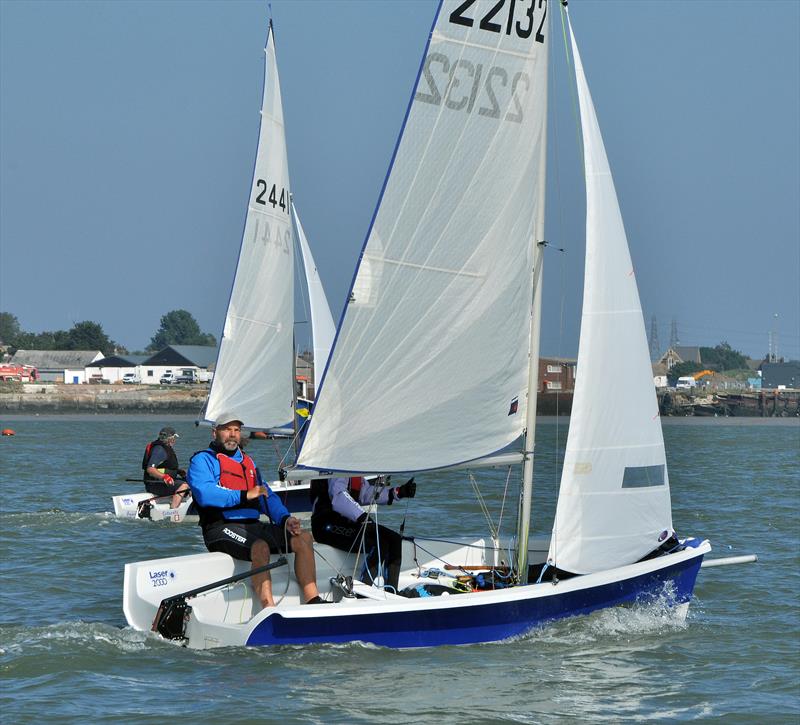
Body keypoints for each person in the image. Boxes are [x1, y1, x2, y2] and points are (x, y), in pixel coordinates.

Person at [186, 412, 325, 607]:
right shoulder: (202, 460)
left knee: (304, 538)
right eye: (227, 429)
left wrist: (285, 519)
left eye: (236, 430)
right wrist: (244, 495)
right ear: (215, 432)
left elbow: (266, 495)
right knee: (260, 546)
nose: (233, 434)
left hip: (252, 526)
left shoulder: (248, 463)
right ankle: (268, 607)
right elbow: (205, 493)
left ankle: (313, 599)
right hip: (220, 528)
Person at [310, 475, 416, 592]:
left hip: (348, 522)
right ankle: (364, 593)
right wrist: (362, 516)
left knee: (394, 539)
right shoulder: (337, 469)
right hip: (325, 525)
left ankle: (392, 592)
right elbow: (338, 496)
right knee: (380, 542)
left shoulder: (352, 471)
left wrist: (397, 492)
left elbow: (365, 493)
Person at [142, 426, 190, 510]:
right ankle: (173, 510)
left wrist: (178, 471)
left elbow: (164, 467)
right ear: (170, 438)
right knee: (184, 485)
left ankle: (188, 503)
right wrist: (165, 477)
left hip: (161, 483)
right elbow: (150, 469)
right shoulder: (159, 450)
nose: (174, 440)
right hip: (154, 484)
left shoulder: (165, 448)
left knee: (191, 482)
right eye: (174, 438)